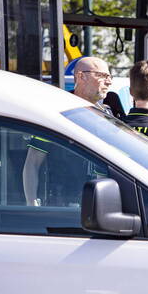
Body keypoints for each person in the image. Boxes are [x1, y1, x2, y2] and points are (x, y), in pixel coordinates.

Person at [23, 56, 117, 205]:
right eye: (102, 75)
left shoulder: (107, 116)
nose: (109, 81)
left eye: (109, 76)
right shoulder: (58, 112)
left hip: (98, 207)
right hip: (62, 207)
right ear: (81, 76)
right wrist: (31, 202)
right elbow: (32, 162)